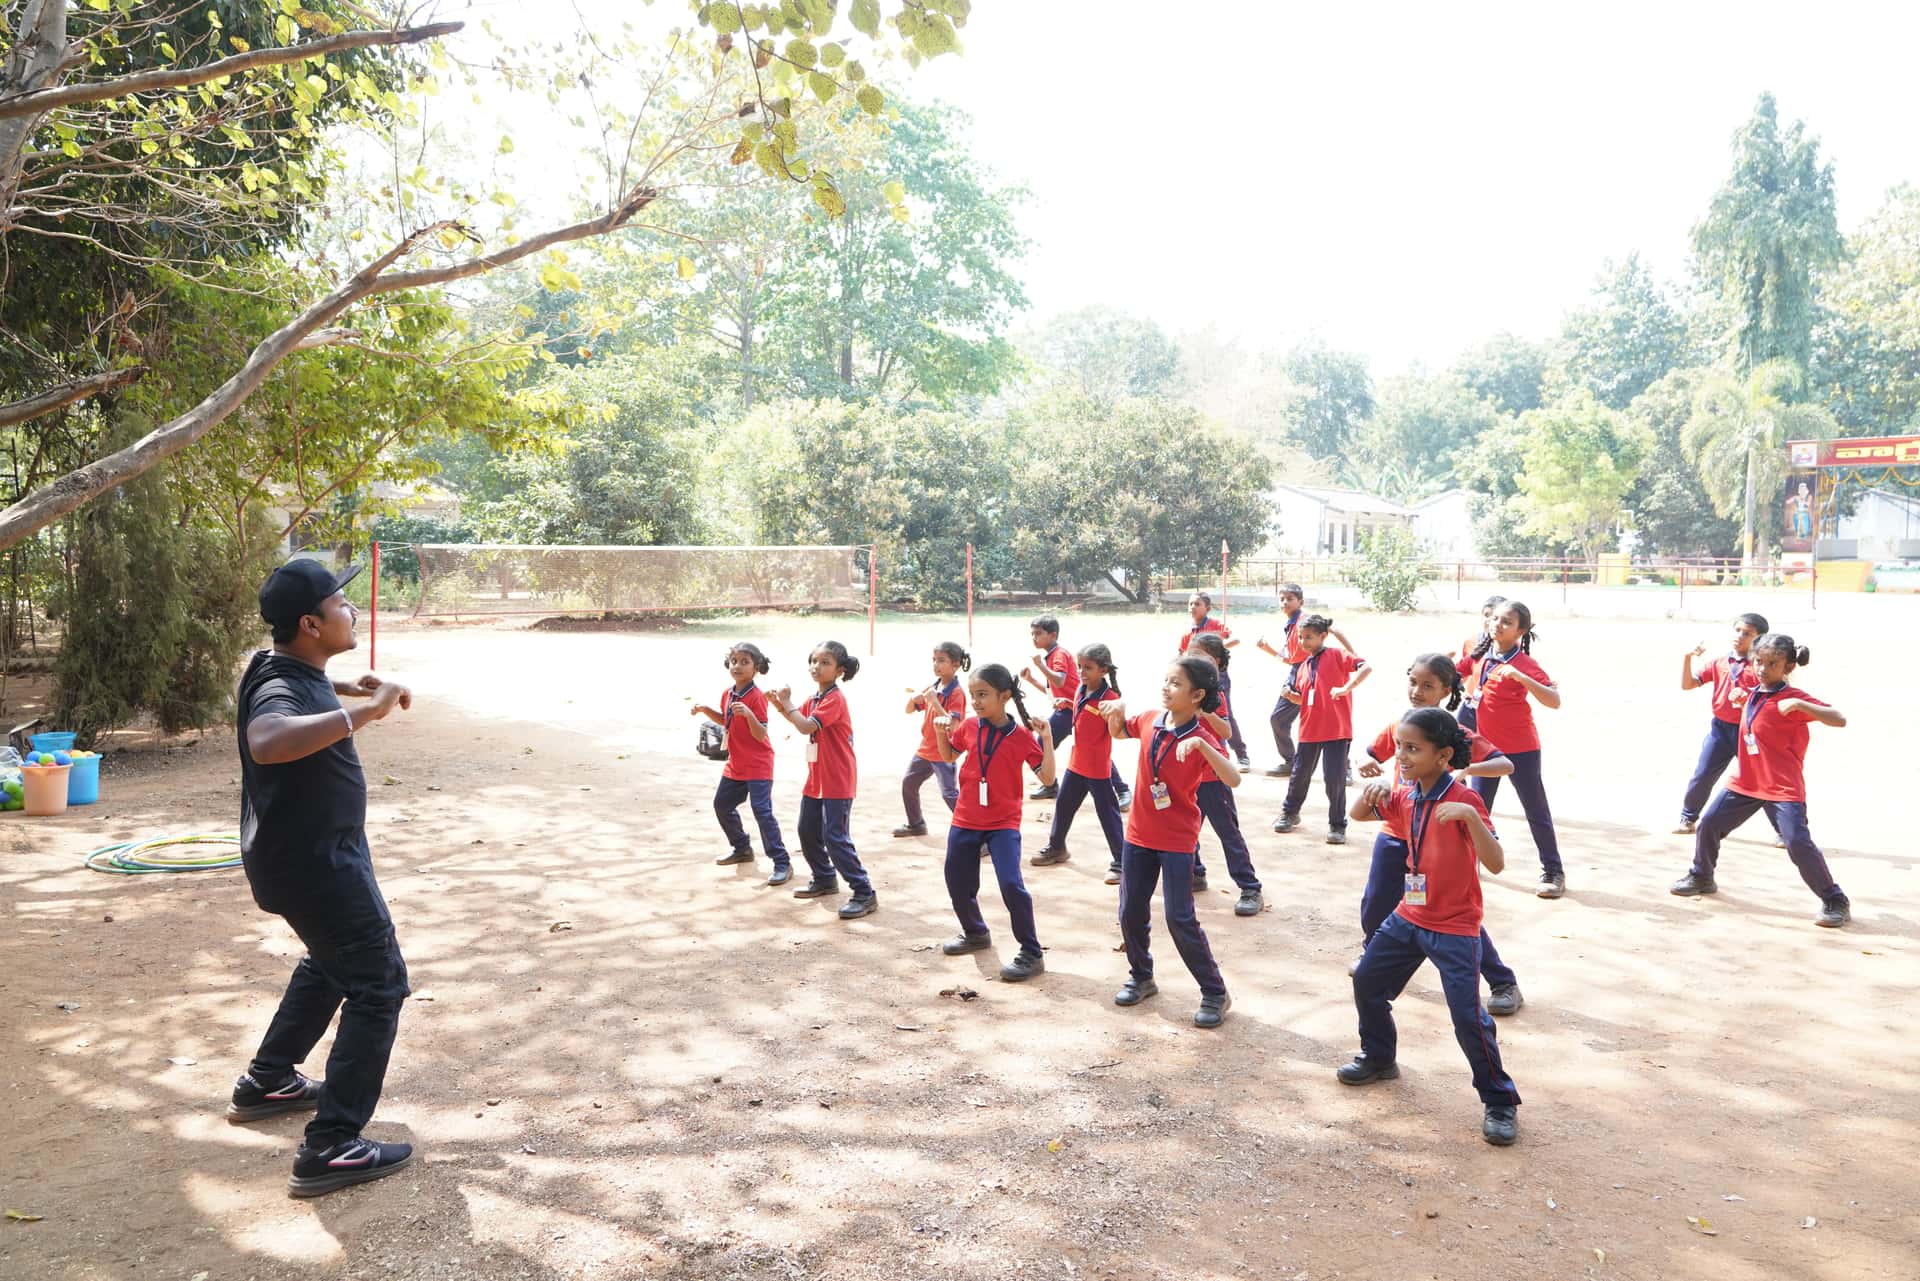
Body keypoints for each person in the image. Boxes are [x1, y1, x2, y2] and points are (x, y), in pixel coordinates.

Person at [232, 558, 417, 1197]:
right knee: (380, 984)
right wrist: (368, 712)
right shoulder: (277, 690)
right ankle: (333, 1145)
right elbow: (268, 737)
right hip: (319, 867)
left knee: (328, 963)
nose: (353, 611)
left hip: (300, 861)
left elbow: (289, 682)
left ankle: (269, 1079)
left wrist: (350, 689)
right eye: (341, 605)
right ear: (310, 623)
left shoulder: (282, 664)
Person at [1340, 707, 1523, 1148]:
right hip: (1410, 915)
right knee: (1367, 980)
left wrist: (1472, 819)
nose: (1401, 756)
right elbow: (1358, 814)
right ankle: (1380, 1057)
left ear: (1443, 756)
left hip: (1456, 926)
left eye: (1412, 749)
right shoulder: (1406, 796)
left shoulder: (1464, 799)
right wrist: (1376, 788)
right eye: (1399, 747)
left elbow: (1496, 864)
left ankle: (1499, 1100)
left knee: (1467, 1018)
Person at [1356, 654, 1521, 1014]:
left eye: (1428, 685)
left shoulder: (1453, 735)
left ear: (1447, 691)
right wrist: (1369, 769)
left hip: (1437, 836)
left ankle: (1502, 980)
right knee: (1376, 907)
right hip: (1397, 830)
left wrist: (1466, 769)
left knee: (1451, 916)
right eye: (1413, 682)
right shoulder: (1401, 725)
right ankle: (1378, 965)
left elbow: (1505, 763)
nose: (1417, 691)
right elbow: (1370, 757)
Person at [1671, 633, 1853, 928]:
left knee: (1797, 842)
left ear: (1789, 667)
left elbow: (1839, 718)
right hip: (1747, 781)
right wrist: (1742, 702)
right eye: (1758, 662)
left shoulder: (1793, 698)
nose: (1763, 668)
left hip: (1782, 787)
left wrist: (1800, 706)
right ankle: (1702, 875)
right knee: (1708, 824)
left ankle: (1834, 900)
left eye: (1772, 663)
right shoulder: (1754, 692)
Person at [1097, 656, 1239, 1028]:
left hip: (1177, 840)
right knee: (1130, 910)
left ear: (1198, 696)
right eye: (1166, 680)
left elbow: (1233, 778)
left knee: (1179, 917)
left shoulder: (1202, 736)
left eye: (1176, 684)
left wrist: (1203, 747)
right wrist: (1118, 709)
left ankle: (1214, 992)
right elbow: (1117, 731)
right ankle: (1141, 976)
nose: (1166, 687)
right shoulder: (1149, 720)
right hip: (1139, 835)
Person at [932, 664, 1055, 981]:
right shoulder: (971, 727)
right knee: (956, 880)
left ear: (1005, 696)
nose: (975, 702)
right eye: (973, 695)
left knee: (1011, 884)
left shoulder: (1022, 737)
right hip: (966, 817)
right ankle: (975, 932)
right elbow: (949, 756)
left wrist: (1047, 738)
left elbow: (1048, 777)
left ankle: (1031, 952)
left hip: (1003, 823)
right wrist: (939, 731)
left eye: (983, 695)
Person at [1458, 600, 1567, 898]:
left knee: (1536, 810)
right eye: (1494, 618)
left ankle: (1553, 871)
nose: (1497, 624)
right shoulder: (1479, 654)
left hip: (1520, 751)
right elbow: (1456, 672)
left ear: (1521, 630)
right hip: (1485, 751)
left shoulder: (1525, 664)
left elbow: (1554, 701)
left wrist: (1521, 678)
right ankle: (1469, 867)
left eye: (1506, 622)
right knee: (1478, 811)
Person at [767, 641, 878, 919]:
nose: (817, 667)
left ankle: (864, 892)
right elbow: (802, 721)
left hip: (837, 778)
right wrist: (781, 707)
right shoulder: (816, 698)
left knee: (835, 837)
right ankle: (825, 877)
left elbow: (805, 725)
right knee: (807, 830)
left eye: (825, 662)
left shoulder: (834, 699)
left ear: (839, 670)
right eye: (814, 661)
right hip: (817, 778)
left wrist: (788, 703)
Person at [694, 642, 791, 885]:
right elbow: (726, 721)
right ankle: (742, 848)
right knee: (722, 805)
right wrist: (706, 710)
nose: (737, 666)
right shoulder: (728, 693)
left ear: (756, 668)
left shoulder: (757, 697)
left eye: (744, 662)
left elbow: (761, 734)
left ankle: (782, 862)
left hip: (758, 765)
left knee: (762, 811)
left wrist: (748, 714)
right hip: (736, 764)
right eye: (734, 661)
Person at [1030, 644, 1127, 881]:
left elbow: (1116, 730)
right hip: (1077, 763)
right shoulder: (1081, 689)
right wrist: (1067, 703)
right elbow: (1084, 713)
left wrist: (1117, 713)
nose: (1082, 673)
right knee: (1063, 806)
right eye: (1080, 667)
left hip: (1097, 768)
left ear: (1103, 670)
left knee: (1107, 813)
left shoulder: (1110, 698)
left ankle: (1122, 861)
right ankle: (1057, 847)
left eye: (1088, 668)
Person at [1271, 614, 1370, 844]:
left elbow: (1366, 667)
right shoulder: (1303, 666)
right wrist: (1290, 696)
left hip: (1337, 730)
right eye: (1300, 637)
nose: (1304, 642)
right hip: (1309, 730)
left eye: (1309, 637)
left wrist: (1347, 688)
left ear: (1322, 636)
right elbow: (1303, 698)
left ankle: (1337, 825)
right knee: (1299, 775)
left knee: (1334, 778)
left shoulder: (1337, 655)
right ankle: (1290, 813)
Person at [1673, 614, 1768, 836]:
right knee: (1704, 773)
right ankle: (1688, 818)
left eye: (1747, 634)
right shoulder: (1720, 663)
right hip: (1721, 730)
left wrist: (1748, 698)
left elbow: (1773, 698)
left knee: (1763, 778)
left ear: (1760, 638)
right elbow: (1688, 685)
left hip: (1751, 732)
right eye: (1738, 631)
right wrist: (1687, 658)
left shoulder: (1762, 667)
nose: (1740, 637)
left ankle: (1784, 830)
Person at [1189, 634, 1264, 916]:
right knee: (1187, 829)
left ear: (1216, 662)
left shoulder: (1213, 694)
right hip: (1189, 777)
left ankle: (1249, 887)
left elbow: (1226, 732)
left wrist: (1203, 713)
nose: (1194, 659)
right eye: (1191, 653)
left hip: (1214, 777)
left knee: (1228, 833)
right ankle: (1195, 873)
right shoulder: (1182, 691)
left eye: (1202, 655)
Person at [1023, 616, 1130, 808]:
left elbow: (1060, 681)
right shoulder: (1052, 655)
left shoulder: (1058, 655)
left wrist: (1040, 666)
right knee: (1088, 750)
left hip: (1079, 709)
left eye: (1038, 634)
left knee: (1044, 746)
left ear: (1052, 635)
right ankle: (1051, 784)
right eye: (1032, 634)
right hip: (1072, 708)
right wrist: (1032, 680)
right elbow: (1052, 690)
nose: (1034, 638)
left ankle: (1051, 784)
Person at [1255, 585, 1357, 777]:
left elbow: (1335, 630)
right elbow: (1292, 659)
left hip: (1315, 673)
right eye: (1282, 598)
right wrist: (1268, 649)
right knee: (1278, 718)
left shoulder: (1305, 620)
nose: (1285, 602)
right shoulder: (1292, 625)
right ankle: (1290, 761)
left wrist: (1352, 655)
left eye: (1290, 598)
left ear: (1300, 602)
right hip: (1298, 672)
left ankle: (1345, 768)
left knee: (1327, 718)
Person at [895, 641, 970, 838]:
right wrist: (914, 699)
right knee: (909, 783)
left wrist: (934, 701)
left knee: (949, 794)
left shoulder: (956, 693)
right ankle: (916, 823)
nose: (936, 665)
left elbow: (953, 726)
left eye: (941, 661)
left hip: (943, 751)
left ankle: (976, 834)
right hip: (926, 748)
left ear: (955, 665)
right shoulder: (933, 686)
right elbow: (908, 710)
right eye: (934, 660)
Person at [1178, 593, 1248, 770]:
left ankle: (1240, 754)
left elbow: (1236, 639)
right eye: (1190, 603)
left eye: (1197, 603)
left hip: (1217, 676)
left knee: (1223, 714)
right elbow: (1181, 655)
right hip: (1195, 678)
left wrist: (1213, 649)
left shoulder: (1215, 625)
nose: (1193, 607)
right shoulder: (1188, 633)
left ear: (1207, 608)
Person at [1456, 596, 1506, 733]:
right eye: (1486, 615)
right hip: (1470, 703)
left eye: (1495, 616)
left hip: (1494, 709)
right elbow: (1464, 671)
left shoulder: (1511, 648)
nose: (1489, 620)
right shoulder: (1471, 642)